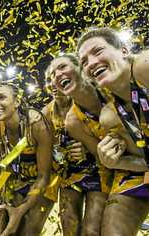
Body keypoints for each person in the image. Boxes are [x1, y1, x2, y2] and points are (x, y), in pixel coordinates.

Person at [77, 27, 149, 236]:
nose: (91, 63)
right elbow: (146, 163)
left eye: (98, 51)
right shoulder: (109, 116)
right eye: (84, 62)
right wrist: (115, 162)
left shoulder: (144, 67)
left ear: (124, 51)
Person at [47, 54, 110, 235]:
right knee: (69, 224)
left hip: (98, 170)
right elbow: (44, 148)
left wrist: (87, 149)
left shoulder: (84, 99)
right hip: (69, 174)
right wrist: (59, 152)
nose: (53, 81)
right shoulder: (46, 112)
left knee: (91, 230)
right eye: (50, 77)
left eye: (60, 71)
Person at [0, 82, 54, 236]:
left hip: (46, 181)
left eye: (2, 97)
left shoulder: (37, 125)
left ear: (17, 102)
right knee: (4, 227)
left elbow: (44, 177)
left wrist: (19, 211)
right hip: (19, 181)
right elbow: (4, 170)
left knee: (27, 231)